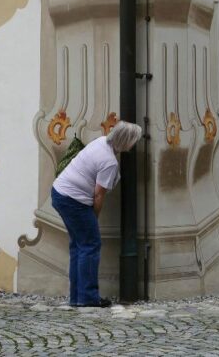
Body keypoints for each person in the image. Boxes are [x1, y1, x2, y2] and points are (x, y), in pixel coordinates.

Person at [51, 121, 143, 307]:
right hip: (73, 201)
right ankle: (87, 298)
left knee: (78, 246)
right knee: (90, 245)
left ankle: (77, 297)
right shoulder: (109, 162)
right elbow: (98, 195)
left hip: (59, 193)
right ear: (126, 141)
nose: (135, 144)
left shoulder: (100, 142)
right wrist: (93, 217)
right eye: (134, 141)